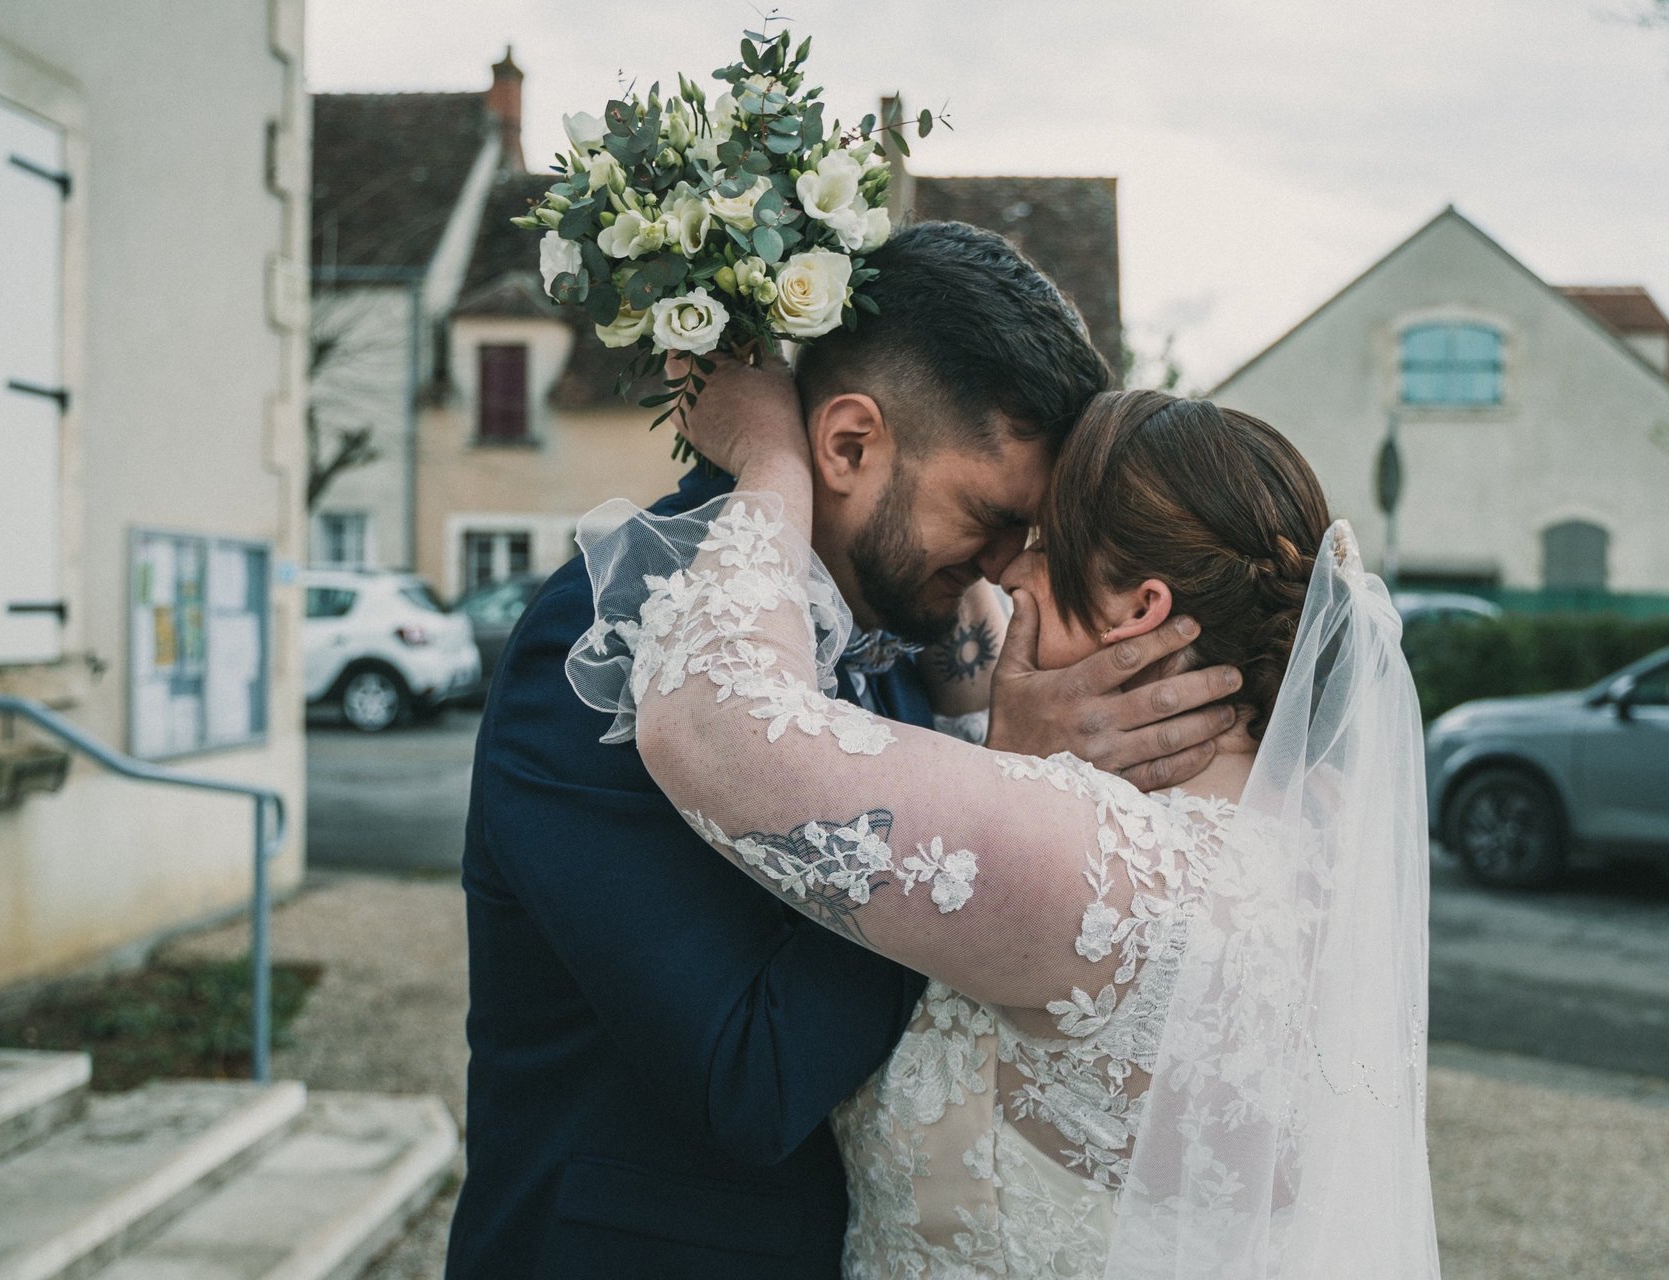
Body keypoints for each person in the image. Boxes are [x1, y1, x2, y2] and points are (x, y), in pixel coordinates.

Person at [444, 222, 1243, 1280]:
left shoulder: (920, 640)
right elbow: (750, 1075)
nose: (1004, 575)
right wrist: (1007, 793)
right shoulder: (605, 644)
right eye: (995, 519)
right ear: (849, 445)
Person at [568, 376, 1440, 1278]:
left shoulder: (1096, 859)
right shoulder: (1318, 821)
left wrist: (772, 459)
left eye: (1047, 544)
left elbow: (714, 722)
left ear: (1140, 611)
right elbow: (978, 662)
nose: (1005, 571)